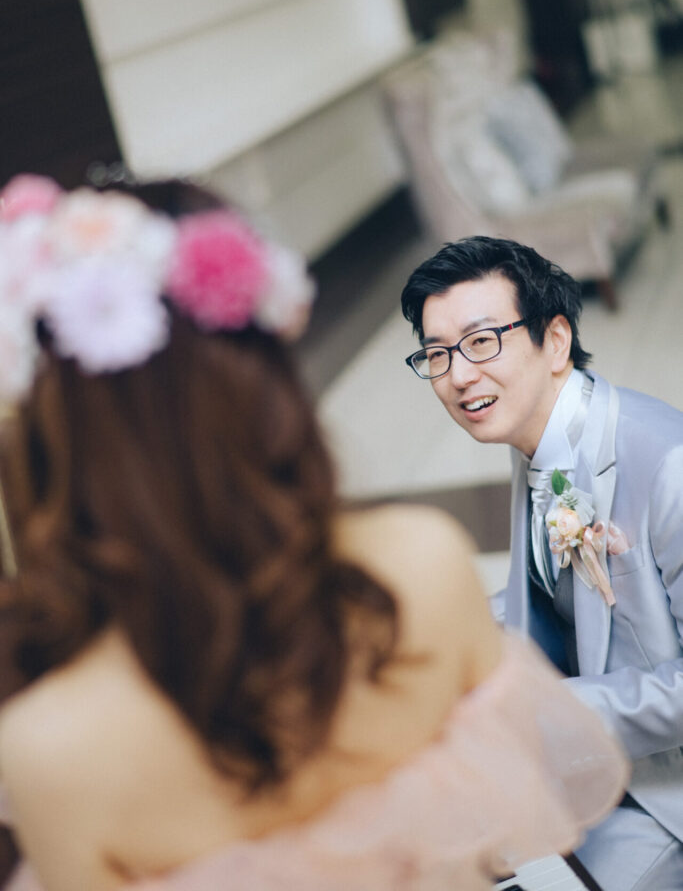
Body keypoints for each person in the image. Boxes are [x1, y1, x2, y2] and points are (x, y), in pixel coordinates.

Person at [0, 178, 626, 891]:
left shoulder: (52, 747)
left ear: (48, 426)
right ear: (266, 375)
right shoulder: (420, 565)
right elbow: (505, 822)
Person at [401, 234, 683, 891]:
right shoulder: (539, 436)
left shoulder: (668, 463)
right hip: (589, 764)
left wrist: (545, 711)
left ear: (555, 340)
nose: (458, 375)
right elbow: (551, 596)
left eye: (481, 342)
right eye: (437, 354)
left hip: (664, 794)